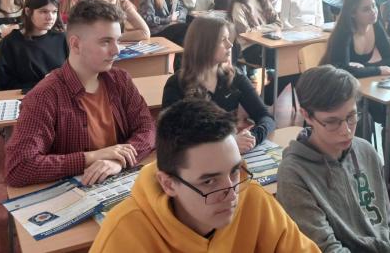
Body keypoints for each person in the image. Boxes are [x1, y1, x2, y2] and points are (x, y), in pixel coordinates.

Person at [89, 98, 319, 253]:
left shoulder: (253, 200)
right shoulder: (123, 235)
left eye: (233, 171)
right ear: (168, 184)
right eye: (209, 181)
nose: (232, 194)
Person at [4, 0, 155, 187]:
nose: (116, 50)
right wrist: (90, 158)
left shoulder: (120, 80)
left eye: (118, 40)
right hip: (74, 192)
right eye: (105, 42)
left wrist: (118, 161)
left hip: (117, 183)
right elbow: (19, 167)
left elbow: (147, 128)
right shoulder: (44, 96)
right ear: (75, 44)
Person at [276, 66, 390, 252]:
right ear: (306, 115)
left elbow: (387, 225)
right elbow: (326, 248)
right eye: (332, 122)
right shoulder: (294, 174)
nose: (346, 131)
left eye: (351, 116)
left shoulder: (366, 151)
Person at [320, 0, 390, 201]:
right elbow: (342, 69)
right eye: (366, 9)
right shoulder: (344, 32)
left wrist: (364, 68)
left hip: (361, 85)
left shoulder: (376, 26)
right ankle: (359, 172)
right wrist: (375, 69)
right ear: (353, 13)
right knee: (360, 118)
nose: (373, 11)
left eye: (373, 6)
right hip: (335, 88)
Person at [162, 16, 275, 152]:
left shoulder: (234, 77)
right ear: (204, 45)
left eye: (229, 38)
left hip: (229, 155)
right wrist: (228, 144)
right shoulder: (176, 84)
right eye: (223, 40)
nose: (230, 45)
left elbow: (266, 117)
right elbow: (172, 137)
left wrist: (253, 137)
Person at [229, 0, 292, 104]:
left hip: (270, 43)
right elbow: (246, 33)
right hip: (250, 48)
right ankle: (267, 97)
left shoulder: (263, 0)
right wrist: (266, 29)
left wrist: (258, 28)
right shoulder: (238, 5)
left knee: (291, 63)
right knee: (282, 61)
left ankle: (268, 94)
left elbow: (278, 23)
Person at [0, 0, 68, 92]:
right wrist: (43, 84)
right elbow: (3, 85)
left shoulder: (62, 38)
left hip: (60, 96)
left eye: (54, 11)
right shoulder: (11, 43)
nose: (50, 17)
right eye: (44, 11)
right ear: (28, 11)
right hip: (26, 97)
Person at [83, 0, 150, 42]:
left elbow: (145, 33)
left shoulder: (123, 4)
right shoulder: (86, 8)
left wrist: (115, 37)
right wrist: (101, 7)